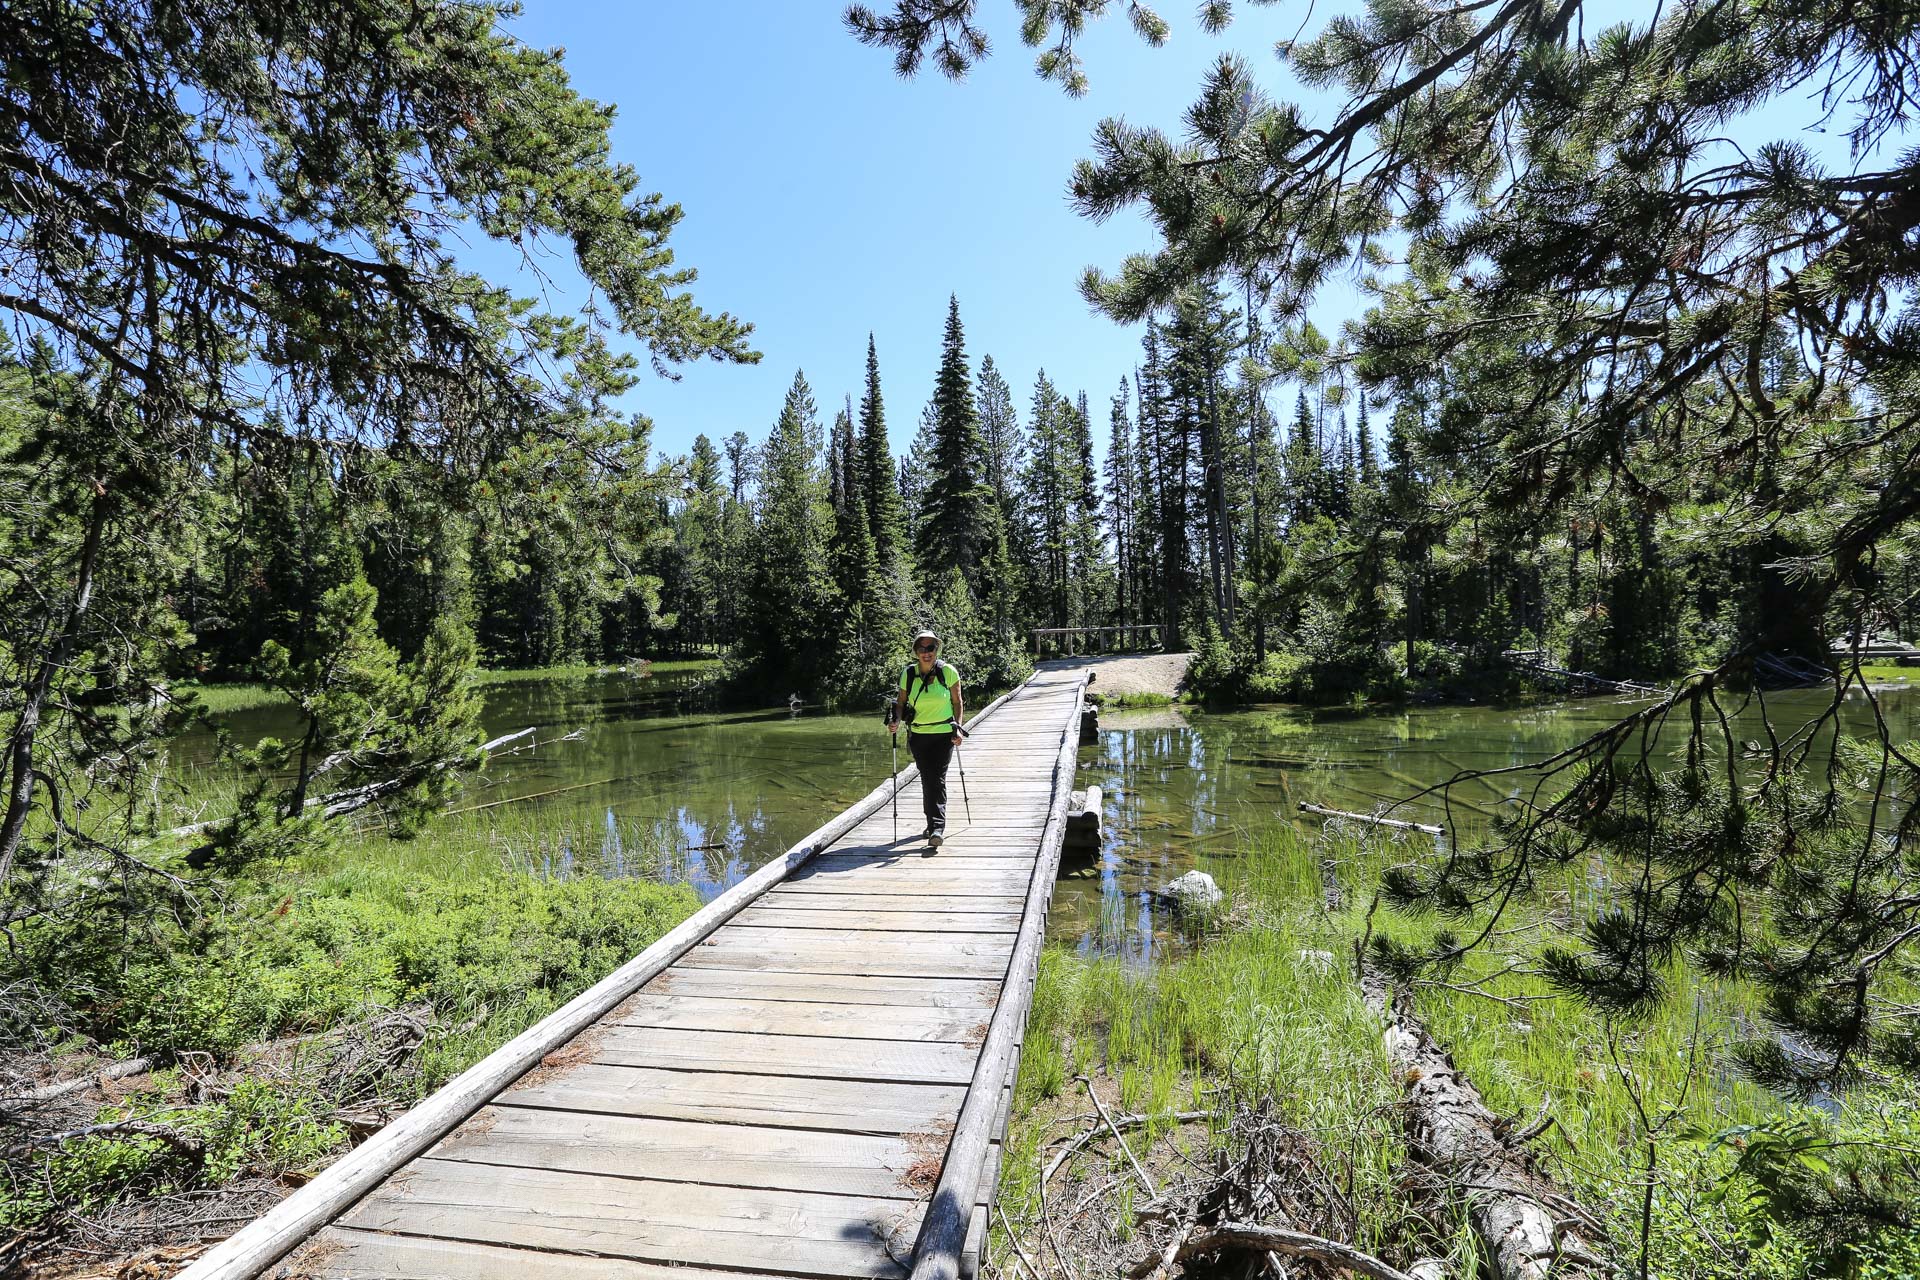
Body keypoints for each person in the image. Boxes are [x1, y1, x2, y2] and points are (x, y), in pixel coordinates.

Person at [890, 629, 964, 846]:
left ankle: (937, 828)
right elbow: (900, 703)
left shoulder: (948, 672)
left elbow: (958, 702)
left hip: (943, 734)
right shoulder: (909, 674)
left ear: (936, 649)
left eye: (930, 648)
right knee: (927, 778)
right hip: (918, 735)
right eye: (922, 648)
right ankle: (932, 823)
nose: (926, 652)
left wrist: (958, 727)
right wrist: (895, 720)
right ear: (916, 651)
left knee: (937, 778)